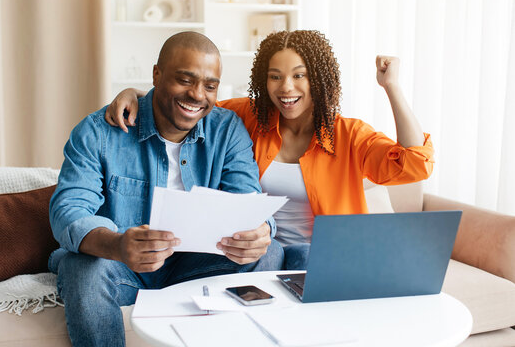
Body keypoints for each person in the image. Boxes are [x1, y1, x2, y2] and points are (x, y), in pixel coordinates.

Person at [106, 30, 434, 271]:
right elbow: (192, 104)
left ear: (318, 80)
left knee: (303, 256)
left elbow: (414, 164)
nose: (285, 88)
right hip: (262, 254)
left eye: (299, 76)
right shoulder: (250, 117)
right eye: (275, 77)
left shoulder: (348, 135)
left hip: (326, 256)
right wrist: (136, 93)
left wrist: (391, 87)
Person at [49, 31, 283, 347]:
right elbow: (69, 209)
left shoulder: (226, 130)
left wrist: (259, 231)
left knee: (271, 253)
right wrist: (117, 245)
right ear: (157, 74)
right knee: (81, 268)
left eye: (210, 86)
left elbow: (247, 197)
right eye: (185, 80)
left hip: (196, 265)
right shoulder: (99, 131)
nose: (198, 95)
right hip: (123, 266)